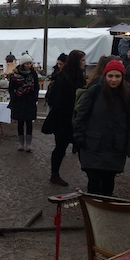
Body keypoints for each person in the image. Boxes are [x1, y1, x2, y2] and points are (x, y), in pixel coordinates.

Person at [73, 60, 130, 196]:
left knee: (109, 181)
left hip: (116, 146)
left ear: (122, 77)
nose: (114, 80)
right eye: (110, 76)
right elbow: (81, 116)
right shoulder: (95, 91)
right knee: (94, 181)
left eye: (117, 76)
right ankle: (93, 206)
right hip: (93, 145)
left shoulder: (128, 95)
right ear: (105, 76)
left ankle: (105, 206)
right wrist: (78, 138)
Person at [44, 50, 87, 186]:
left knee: (80, 146)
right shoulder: (63, 78)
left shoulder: (79, 76)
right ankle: (54, 174)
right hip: (63, 119)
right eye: (82, 60)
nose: (85, 63)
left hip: (75, 118)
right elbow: (56, 99)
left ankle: (91, 175)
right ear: (76, 62)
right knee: (60, 147)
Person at [8, 53, 40, 152]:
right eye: (27, 63)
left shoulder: (33, 73)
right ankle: (21, 143)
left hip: (30, 100)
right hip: (19, 100)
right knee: (20, 122)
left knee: (29, 122)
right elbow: (11, 87)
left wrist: (35, 97)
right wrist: (13, 97)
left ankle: (28, 144)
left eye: (30, 63)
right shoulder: (15, 74)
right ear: (22, 64)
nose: (28, 65)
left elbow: (36, 86)